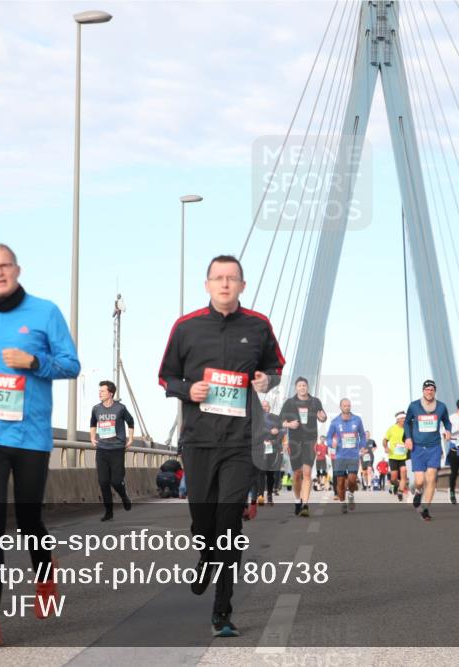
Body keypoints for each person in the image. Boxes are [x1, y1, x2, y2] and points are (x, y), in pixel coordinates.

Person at [158, 254, 283, 638]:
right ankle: (206, 554)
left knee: (229, 522)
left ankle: (222, 610)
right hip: (198, 439)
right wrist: (187, 389)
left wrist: (266, 381)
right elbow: (166, 376)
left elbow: (275, 368)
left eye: (232, 278)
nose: (225, 284)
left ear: (242, 285)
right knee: (203, 522)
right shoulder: (186, 327)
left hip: (240, 440)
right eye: (218, 278)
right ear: (208, 284)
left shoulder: (258, 325)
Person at [0, 244, 80, 649]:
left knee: (29, 520)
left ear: (17, 269)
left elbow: (71, 365)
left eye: (5, 265)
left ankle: (45, 572)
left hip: (31, 436)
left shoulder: (45, 312)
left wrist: (33, 363)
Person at [403, 380, 452, 522]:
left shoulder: (441, 407)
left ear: (435, 391)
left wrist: (448, 430)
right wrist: (408, 438)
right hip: (417, 447)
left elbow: (447, 421)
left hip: (434, 446)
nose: (429, 392)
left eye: (431, 389)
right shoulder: (414, 406)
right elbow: (407, 422)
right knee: (419, 481)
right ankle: (418, 492)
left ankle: (425, 509)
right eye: (427, 389)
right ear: (423, 391)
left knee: (431, 478)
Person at [278, 378, 327, 517]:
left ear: (307, 387)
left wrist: (323, 417)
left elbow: (322, 417)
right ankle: (297, 501)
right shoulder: (289, 403)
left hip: (310, 441)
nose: (302, 387)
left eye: (304, 385)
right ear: (296, 388)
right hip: (294, 441)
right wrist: (289, 424)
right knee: (297, 474)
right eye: (299, 385)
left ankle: (305, 505)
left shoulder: (315, 401)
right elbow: (280, 421)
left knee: (307, 472)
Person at [89, 380, 134, 521]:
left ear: (111, 393)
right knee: (103, 482)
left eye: (102, 391)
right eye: (99, 391)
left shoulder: (120, 408)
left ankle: (124, 496)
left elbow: (130, 422)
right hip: (102, 449)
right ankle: (109, 512)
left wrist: (130, 439)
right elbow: (93, 423)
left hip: (117, 449)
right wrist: (92, 438)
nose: (100, 393)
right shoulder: (96, 408)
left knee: (116, 481)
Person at [325, 399, 366, 514]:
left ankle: (351, 494)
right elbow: (328, 437)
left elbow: (362, 435)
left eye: (348, 405)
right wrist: (331, 443)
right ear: (340, 407)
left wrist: (362, 446)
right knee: (340, 482)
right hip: (340, 456)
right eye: (345, 405)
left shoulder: (357, 419)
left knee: (352, 480)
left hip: (353, 455)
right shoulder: (335, 422)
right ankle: (342, 502)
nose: (347, 407)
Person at [383, 411, 408, 500]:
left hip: (403, 456)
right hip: (393, 456)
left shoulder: (407, 429)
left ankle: (400, 492)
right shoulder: (392, 429)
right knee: (394, 478)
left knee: (404, 473)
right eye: (402, 418)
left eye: (405, 418)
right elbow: (385, 440)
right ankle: (394, 486)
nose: (404, 420)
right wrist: (386, 447)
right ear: (398, 419)